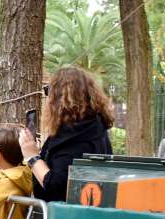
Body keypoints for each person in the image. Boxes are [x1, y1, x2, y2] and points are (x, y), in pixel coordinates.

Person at [18, 65, 114, 205]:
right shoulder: (94, 127)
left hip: (65, 217)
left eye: (48, 91)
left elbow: (56, 186)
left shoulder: (74, 136)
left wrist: (32, 157)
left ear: (58, 98)